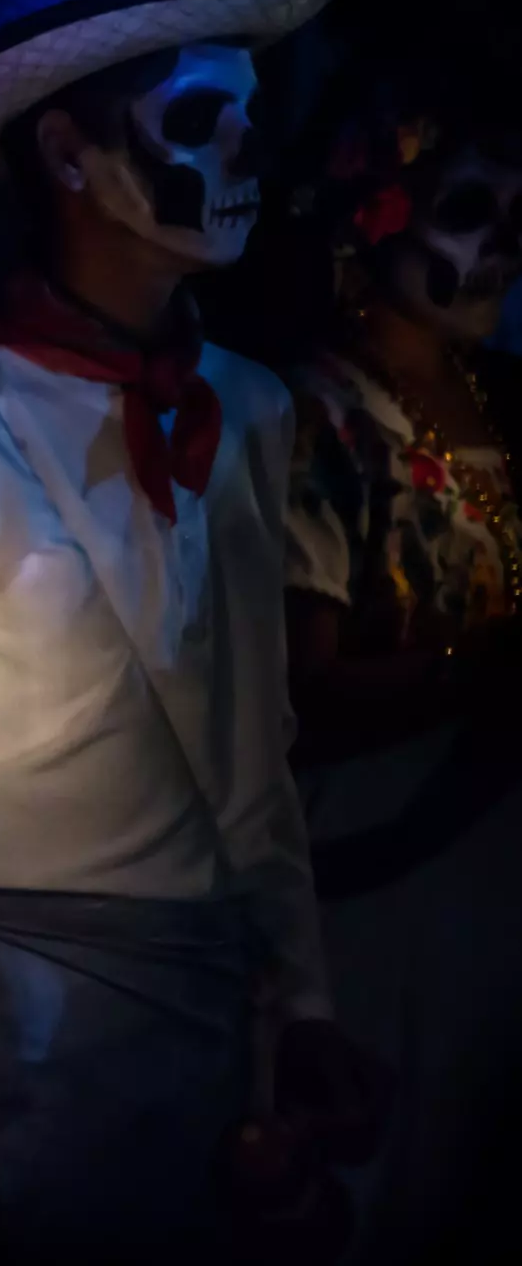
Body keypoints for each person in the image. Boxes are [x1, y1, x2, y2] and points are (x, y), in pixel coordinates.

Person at [0, 0, 374, 1261]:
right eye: (195, 120)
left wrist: (302, 992)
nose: (243, 154)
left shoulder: (248, 410)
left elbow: (253, 740)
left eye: (248, 116)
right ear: (67, 153)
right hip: (15, 1012)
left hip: (215, 1000)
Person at [279, 88, 522, 1259]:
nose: (501, 248)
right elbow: (304, 689)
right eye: (468, 210)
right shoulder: (319, 415)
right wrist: (483, 672)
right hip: (377, 872)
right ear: (373, 220)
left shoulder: (494, 399)